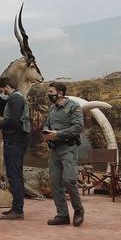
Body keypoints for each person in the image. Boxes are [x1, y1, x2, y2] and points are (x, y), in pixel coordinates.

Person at [42, 81, 85, 227]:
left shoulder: (73, 107)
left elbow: (78, 127)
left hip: (69, 148)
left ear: (60, 93)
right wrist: (46, 132)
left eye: (51, 92)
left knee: (69, 180)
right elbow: (47, 124)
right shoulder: (52, 109)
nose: (49, 95)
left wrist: (57, 134)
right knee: (55, 183)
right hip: (54, 150)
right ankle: (62, 215)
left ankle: (78, 210)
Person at [0, 77, 31, 220]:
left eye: (1, 89)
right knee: (14, 175)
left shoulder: (15, 99)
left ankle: (18, 210)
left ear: (6, 86)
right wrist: (0, 121)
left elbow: (13, 121)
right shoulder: (15, 98)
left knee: (15, 175)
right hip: (15, 140)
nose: (0, 92)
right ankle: (16, 206)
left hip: (15, 141)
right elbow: (13, 119)